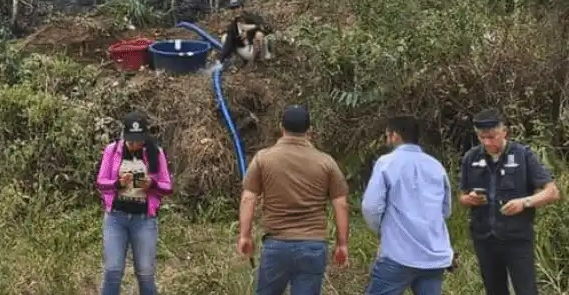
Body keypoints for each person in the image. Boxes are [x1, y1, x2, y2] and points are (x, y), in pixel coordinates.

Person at [238, 105, 350, 295]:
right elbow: (341, 204)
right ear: (309, 130)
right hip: (313, 245)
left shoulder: (263, 159)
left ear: (281, 127)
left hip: (276, 245)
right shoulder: (325, 162)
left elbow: (248, 198)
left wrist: (245, 235)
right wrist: (342, 244)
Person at [458, 108, 560, 295]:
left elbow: (552, 192)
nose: (487, 142)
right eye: (482, 138)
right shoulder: (471, 158)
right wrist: (470, 199)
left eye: (492, 136)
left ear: (504, 131)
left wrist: (524, 202)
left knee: (526, 290)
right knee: (494, 290)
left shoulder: (523, 155)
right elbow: (462, 196)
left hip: (516, 239)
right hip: (485, 238)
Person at [361, 115, 454, 295]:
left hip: (398, 254)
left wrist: (381, 230)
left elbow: (371, 207)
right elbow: (446, 209)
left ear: (395, 135)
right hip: (434, 255)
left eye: (387, 135)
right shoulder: (436, 166)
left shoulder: (386, 163)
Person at [94, 111, 173, 295]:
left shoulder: (155, 152)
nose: (135, 144)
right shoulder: (113, 151)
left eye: (139, 140)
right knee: (113, 270)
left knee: (145, 272)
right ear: (124, 135)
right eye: (131, 141)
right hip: (116, 218)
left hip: (144, 220)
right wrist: (117, 184)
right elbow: (101, 182)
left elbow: (167, 186)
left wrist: (151, 184)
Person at [219, 0, 273, 67]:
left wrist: (251, 28)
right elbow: (228, 43)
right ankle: (239, 59)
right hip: (247, 50)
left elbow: (268, 28)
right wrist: (221, 60)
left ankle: (263, 58)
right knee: (225, 37)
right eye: (233, 8)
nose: (235, 10)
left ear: (242, 7)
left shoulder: (252, 17)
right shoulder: (233, 25)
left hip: (259, 47)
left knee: (259, 34)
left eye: (237, 7)